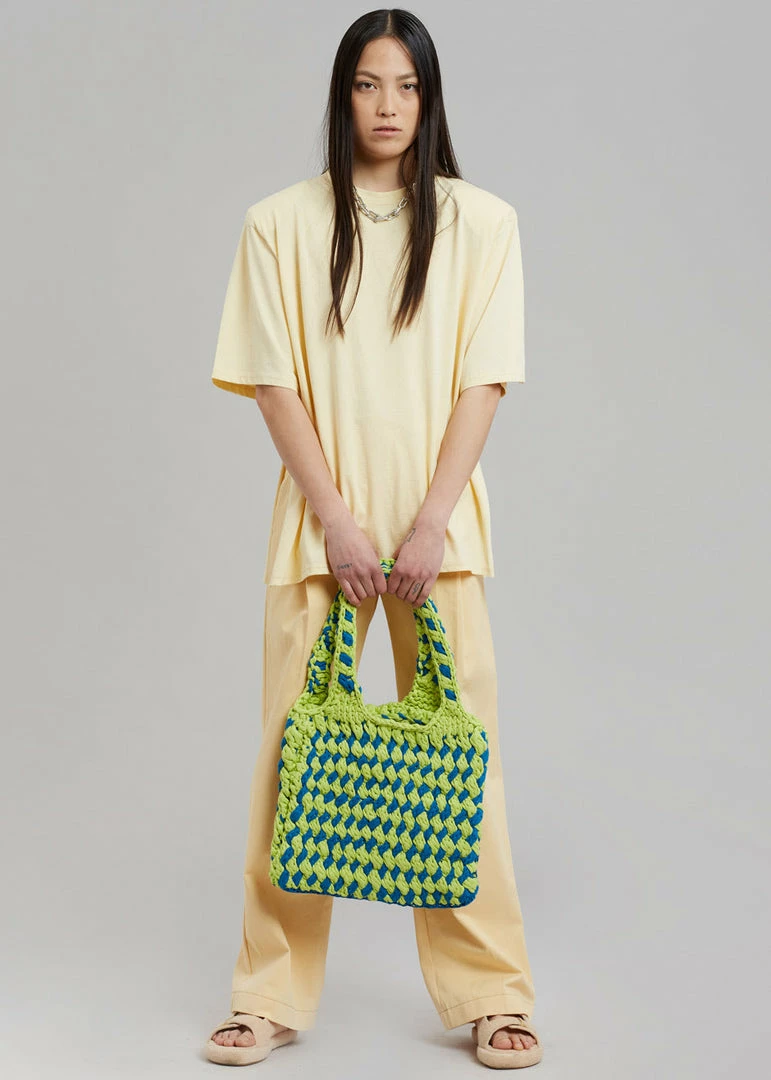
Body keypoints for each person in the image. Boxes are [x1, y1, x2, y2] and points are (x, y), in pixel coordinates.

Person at [203, 8, 543, 1071]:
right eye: (366, 83)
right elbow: (274, 383)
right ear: (341, 95)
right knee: (292, 759)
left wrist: (431, 519)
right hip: (322, 531)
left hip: (442, 532)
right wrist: (340, 522)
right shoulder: (281, 224)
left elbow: (484, 380)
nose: (387, 106)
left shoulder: (483, 223)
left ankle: (493, 994)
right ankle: (267, 996)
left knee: (464, 766)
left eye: (405, 85)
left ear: (428, 97)